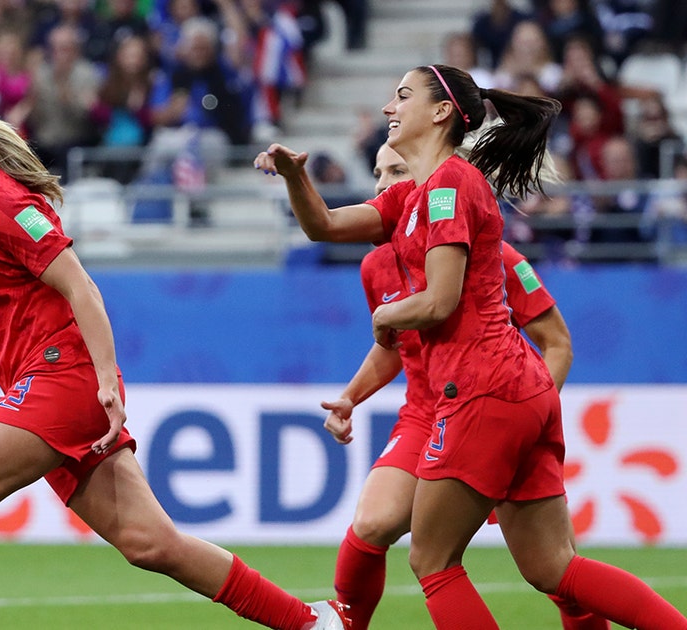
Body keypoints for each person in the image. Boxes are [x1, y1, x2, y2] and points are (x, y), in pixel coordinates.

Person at [0, 75, 352, 630]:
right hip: (41, 388)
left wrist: (103, 382)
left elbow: (81, 287)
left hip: (65, 378)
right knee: (151, 543)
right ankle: (313, 624)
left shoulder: (1, 200)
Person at [254, 64, 687, 628]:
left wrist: (387, 314)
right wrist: (293, 176)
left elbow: (439, 301)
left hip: (481, 386)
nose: (389, 108)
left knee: (432, 559)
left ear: (440, 112)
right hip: (512, 386)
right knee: (553, 568)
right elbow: (325, 226)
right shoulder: (413, 195)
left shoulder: (452, 184)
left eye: (402, 95)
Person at [324, 142, 602, 630]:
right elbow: (394, 346)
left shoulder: (497, 257)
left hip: (490, 405)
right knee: (372, 523)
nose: (384, 184)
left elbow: (556, 344)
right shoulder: (376, 265)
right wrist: (351, 396)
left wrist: (515, 428)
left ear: (424, 182)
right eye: (377, 173)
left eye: (397, 170)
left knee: (555, 574)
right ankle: (344, 624)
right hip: (426, 413)